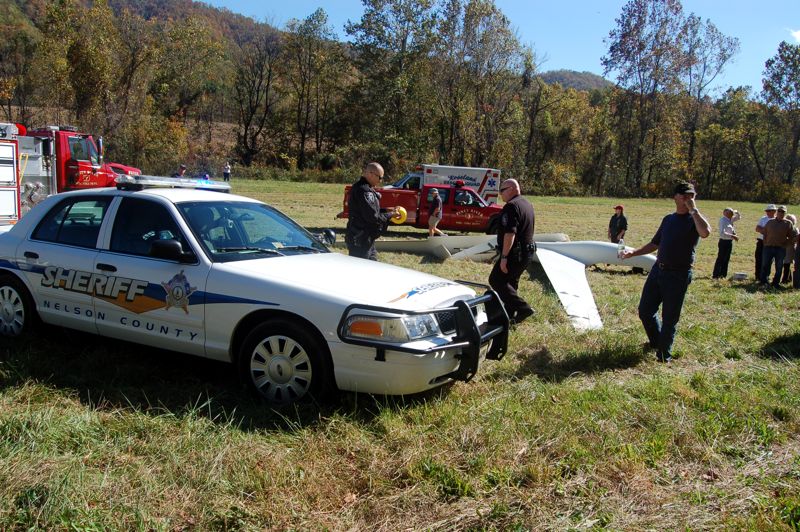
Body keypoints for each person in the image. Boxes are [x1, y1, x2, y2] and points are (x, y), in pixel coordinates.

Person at [621, 182, 711, 362]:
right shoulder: (668, 219)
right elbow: (655, 243)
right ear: (675, 197)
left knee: (670, 317)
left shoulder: (694, 219)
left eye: (692, 196)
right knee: (645, 311)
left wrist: (694, 211)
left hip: (678, 275)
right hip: (658, 270)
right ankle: (656, 342)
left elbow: (705, 233)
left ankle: (664, 356)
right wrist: (633, 253)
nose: (689, 199)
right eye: (685, 195)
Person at [489, 178, 535, 325]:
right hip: (527, 252)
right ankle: (509, 315)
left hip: (515, 254)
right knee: (510, 282)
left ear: (512, 189)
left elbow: (510, 233)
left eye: (502, 190)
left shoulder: (511, 206)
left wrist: (504, 257)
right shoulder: (526, 203)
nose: (500, 194)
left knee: (496, 280)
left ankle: (523, 308)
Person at [345, 162, 398, 260]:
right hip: (360, 239)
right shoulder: (364, 191)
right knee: (362, 271)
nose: (381, 180)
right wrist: (391, 214)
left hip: (366, 238)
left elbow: (366, 210)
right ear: (370, 174)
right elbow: (373, 217)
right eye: (380, 177)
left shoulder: (363, 188)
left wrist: (385, 210)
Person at [760, 205, 794, 287]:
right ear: (777, 212)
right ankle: (764, 281)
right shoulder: (770, 222)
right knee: (765, 265)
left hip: (780, 248)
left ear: (785, 213)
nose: (781, 213)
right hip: (768, 247)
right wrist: (765, 243)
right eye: (779, 211)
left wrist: (786, 244)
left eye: (783, 212)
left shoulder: (788, 223)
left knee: (779, 267)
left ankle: (775, 283)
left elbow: (791, 236)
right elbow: (764, 232)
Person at [712, 207, 740, 279]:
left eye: (731, 213)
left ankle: (723, 275)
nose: (731, 214)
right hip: (723, 242)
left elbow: (738, 217)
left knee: (726, 259)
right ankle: (716, 275)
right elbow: (722, 233)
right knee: (721, 259)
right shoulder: (723, 220)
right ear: (724, 213)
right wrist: (733, 236)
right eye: (729, 213)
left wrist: (736, 211)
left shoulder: (730, 219)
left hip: (729, 242)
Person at [755, 204, 778, 278]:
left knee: (768, 261)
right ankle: (758, 276)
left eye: (768, 211)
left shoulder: (777, 220)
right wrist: (767, 232)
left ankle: (765, 276)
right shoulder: (763, 218)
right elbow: (757, 228)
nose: (767, 212)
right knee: (758, 258)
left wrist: (764, 231)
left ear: (774, 211)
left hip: (770, 243)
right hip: (761, 241)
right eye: (766, 211)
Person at [782, 214, 798, 284]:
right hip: (785, 247)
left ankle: (785, 279)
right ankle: (789, 278)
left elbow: (796, 239)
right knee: (786, 264)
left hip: (790, 248)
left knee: (786, 264)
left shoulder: (795, 229)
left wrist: (790, 240)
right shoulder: (785, 228)